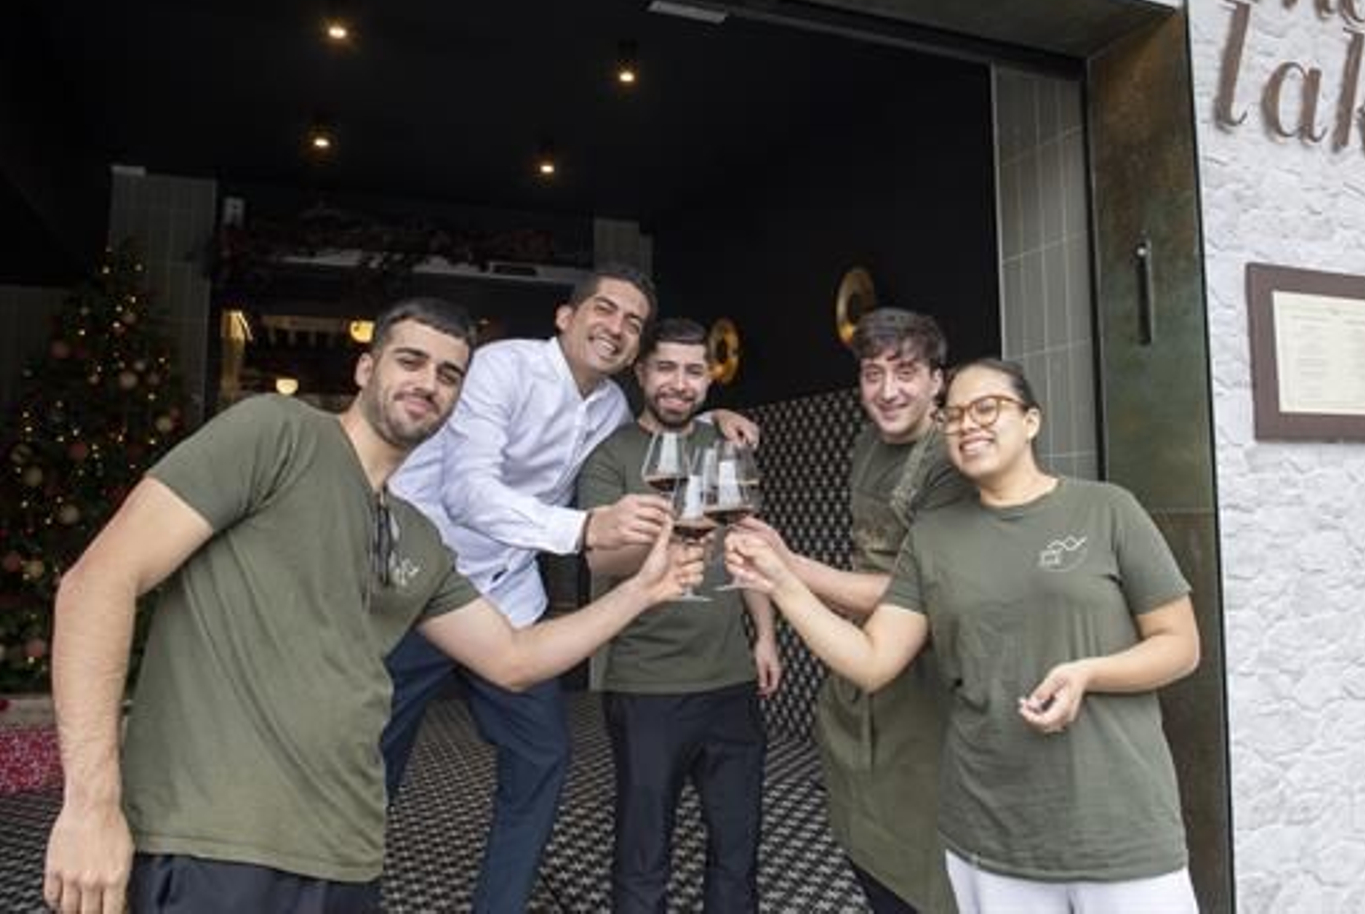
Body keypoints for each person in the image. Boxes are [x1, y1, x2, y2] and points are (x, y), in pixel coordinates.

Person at [41, 297, 704, 914]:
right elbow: (97, 582)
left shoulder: (416, 536)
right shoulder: (278, 433)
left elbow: (513, 658)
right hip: (215, 845)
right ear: (366, 366)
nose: (429, 383)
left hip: (348, 860)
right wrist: (91, 805)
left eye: (449, 374)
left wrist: (645, 589)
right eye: (410, 360)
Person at [728, 358, 1201, 914]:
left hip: (1119, 822)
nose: (967, 425)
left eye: (987, 408)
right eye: (952, 417)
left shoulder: (1105, 509)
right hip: (989, 829)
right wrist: (782, 582)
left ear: (1031, 421)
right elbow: (872, 659)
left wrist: (1089, 672)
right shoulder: (933, 539)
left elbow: (1180, 645)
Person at [381, 265, 757, 914]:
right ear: (565, 316)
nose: (616, 327)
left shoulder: (611, 406)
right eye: (605, 310)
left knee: (543, 753)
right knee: (369, 761)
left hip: (506, 597)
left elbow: (663, 423)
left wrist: (710, 414)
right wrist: (584, 527)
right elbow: (466, 493)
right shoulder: (502, 368)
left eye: (632, 322)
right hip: (417, 583)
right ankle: (333, 894)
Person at [737, 307, 967, 914]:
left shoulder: (951, 459)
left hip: (930, 675)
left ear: (938, 380)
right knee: (858, 824)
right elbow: (872, 568)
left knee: (924, 846)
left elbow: (920, 589)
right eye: (872, 374)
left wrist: (789, 568)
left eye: (906, 372)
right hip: (862, 665)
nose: (887, 391)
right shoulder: (867, 441)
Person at [576, 316, 782, 913]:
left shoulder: (724, 446)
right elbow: (600, 559)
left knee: (738, 848)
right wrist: (680, 532)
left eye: (694, 371)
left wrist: (764, 636)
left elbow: (746, 549)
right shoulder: (610, 455)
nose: (679, 383)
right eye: (665, 367)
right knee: (644, 853)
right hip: (647, 687)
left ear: (709, 383)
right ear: (641, 372)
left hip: (731, 683)